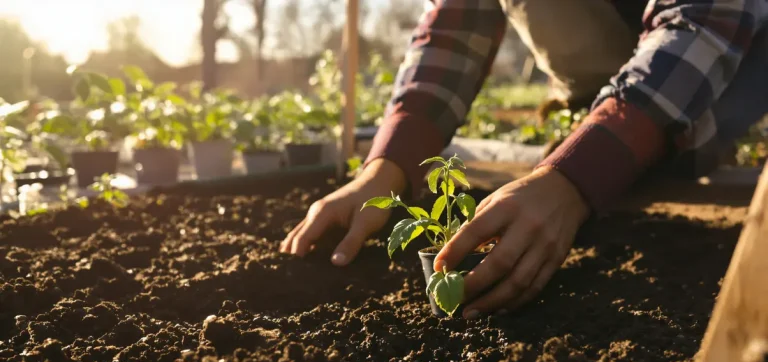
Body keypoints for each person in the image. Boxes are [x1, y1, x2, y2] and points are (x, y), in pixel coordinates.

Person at [282, 0, 768, 319]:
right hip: (606, 99)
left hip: (720, 75)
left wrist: (574, 178)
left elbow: (701, 26)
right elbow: (454, 28)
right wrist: (385, 167)